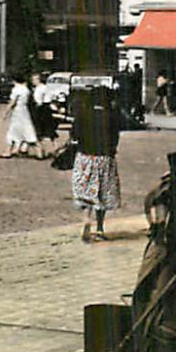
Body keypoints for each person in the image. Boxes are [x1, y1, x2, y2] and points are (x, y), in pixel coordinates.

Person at [69, 86, 121, 242]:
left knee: (86, 189)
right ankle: (99, 228)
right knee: (103, 192)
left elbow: (75, 135)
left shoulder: (83, 114)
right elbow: (115, 139)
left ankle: (86, 218)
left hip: (85, 156)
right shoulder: (112, 116)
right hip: (105, 157)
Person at [1, 71, 39, 159]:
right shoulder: (26, 89)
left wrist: (6, 112)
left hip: (17, 112)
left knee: (13, 130)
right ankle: (35, 150)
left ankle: (8, 151)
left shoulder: (16, 89)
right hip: (24, 110)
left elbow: (12, 102)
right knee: (27, 128)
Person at [29, 72, 60, 158]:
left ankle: (42, 151)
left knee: (39, 130)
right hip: (48, 109)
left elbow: (38, 101)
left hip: (41, 110)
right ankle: (56, 148)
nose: (32, 81)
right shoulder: (46, 87)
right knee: (50, 130)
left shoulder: (38, 89)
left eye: (34, 79)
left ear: (38, 80)